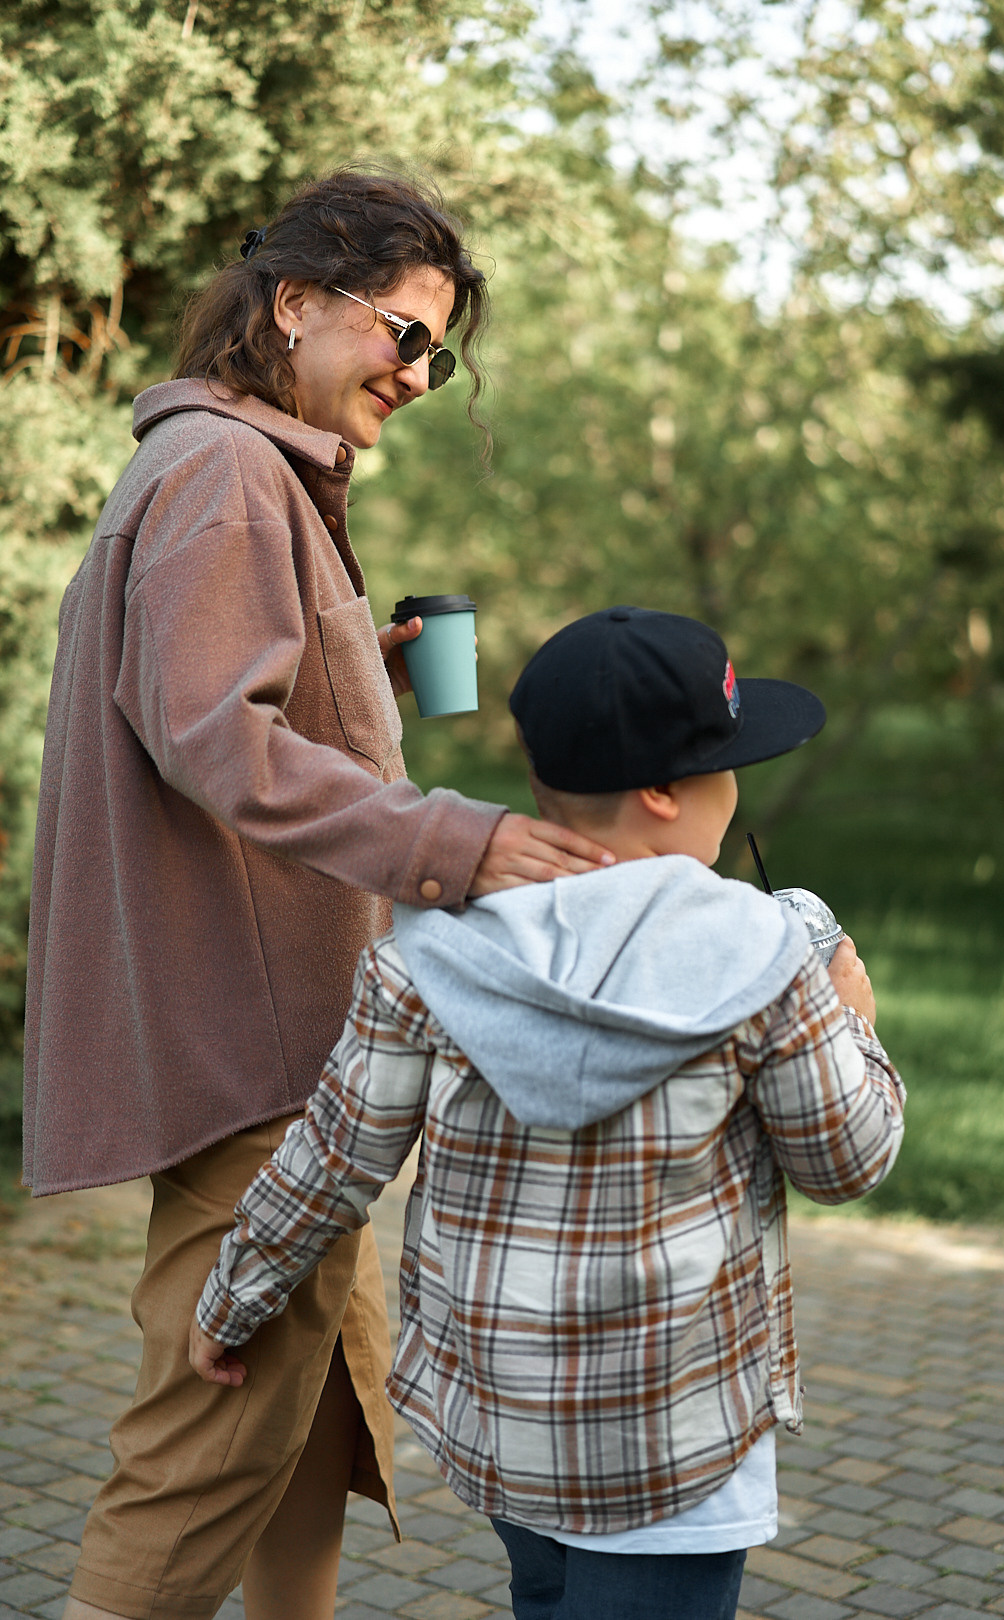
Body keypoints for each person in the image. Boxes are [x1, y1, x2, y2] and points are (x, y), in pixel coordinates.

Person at [23, 169, 614, 1620]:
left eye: (437, 351)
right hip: (254, 1045)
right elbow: (214, 736)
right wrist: (455, 842)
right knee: (207, 1438)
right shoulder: (226, 475)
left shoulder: (234, 469)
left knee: (319, 1407)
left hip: (290, 1040)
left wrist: (374, 663)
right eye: (402, 335)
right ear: (296, 304)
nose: (418, 374)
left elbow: (233, 697)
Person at [189, 605, 906, 1620]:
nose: (736, 785)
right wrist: (857, 1022)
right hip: (676, 1451)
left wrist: (231, 1301)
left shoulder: (429, 954)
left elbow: (336, 1157)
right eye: (726, 764)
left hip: (508, 1436)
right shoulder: (768, 958)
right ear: (664, 792)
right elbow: (848, 1161)